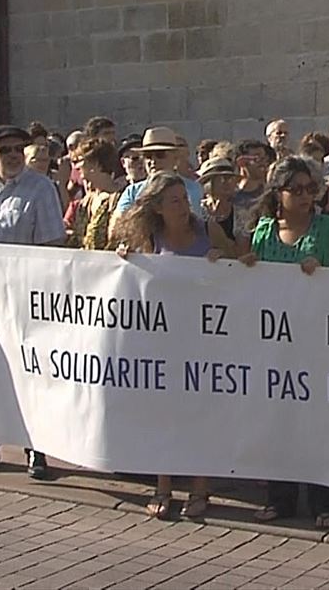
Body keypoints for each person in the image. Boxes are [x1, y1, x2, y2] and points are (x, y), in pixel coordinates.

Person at [113, 171, 237, 517]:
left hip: (204, 336)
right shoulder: (149, 238)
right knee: (164, 412)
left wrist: (219, 257)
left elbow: (238, 264)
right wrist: (126, 258)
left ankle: (201, 489)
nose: (184, 206)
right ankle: (163, 485)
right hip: (163, 339)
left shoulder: (205, 229)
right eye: (175, 201)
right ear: (158, 208)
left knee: (201, 413)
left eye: (185, 198)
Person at [0, 126, 69, 482]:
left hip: (25, 298)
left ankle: (36, 448)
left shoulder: (41, 188)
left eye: (18, 148)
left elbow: (53, 244)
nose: (12, 154)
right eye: (4, 149)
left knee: (30, 374)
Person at [249, 157, 329, 530]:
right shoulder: (263, 231)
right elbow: (249, 280)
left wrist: (322, 272)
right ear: (279, 193)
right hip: (275, 344)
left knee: (317, 422)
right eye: (298, 189)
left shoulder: (326, 228)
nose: (307, 196)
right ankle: (281, 498)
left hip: (318, 341)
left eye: (312, 189)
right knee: (279, 422)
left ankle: (325, 501)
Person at [114, 128, 205, 218]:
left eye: (160, 155)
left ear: (176, 159)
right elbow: (119, 224)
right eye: (148, 156)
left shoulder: (194, 190)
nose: (153, 161)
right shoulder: (132, 192)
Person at [65, 138, 122, 251]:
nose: (76, 167)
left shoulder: (119, 200)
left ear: (95, 164)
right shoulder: (86, 201)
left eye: (80, 161)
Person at [199, 157, 241, 242]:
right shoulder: (197, 210)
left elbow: (243, 247)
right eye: (222, 178)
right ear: (208, 182)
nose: (226, 182)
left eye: (230, 178)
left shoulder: (239, 213)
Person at [231, 140, 271, 214]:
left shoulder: (269, 196)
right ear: (241, 162)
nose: (264, 163)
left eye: (265, 158)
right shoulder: (230, 196)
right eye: (257, 159)